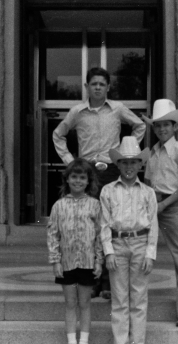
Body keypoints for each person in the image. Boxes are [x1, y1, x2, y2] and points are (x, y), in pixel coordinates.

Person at [53, 67, 146, 300]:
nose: (97, 87)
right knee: (90, 226)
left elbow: (140, 126)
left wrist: (126, 152)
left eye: (101, 84)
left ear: (108, 87)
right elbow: (58, 134)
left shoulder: (117, 109)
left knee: (111, 223)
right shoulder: (77, 112)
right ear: (86, 87)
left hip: (112, 169)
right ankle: (91, 281)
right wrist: (71, 162)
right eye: (93, 84)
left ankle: (108, 282)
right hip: (87, 171)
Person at [100, 136, 158, 344]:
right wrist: (108, 251)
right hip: (117, 243)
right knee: (119, 297)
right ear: (118, 164)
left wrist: (150, 253)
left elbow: (153, 224)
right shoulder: (108, 191)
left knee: (139, 297)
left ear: (140, 164)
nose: (129, 166)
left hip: (140, 243)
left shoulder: (147, 192)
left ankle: (136, 343)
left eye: (133, 162)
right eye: (124, 162)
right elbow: (104, 223)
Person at [142, 99, 178, 327]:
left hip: (172, 207)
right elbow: (145, 182)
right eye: (158, 125)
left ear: (175, 126)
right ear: (153, 128)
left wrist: (165, 204)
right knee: (140, 253)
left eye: (166, 124)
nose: (162, 129)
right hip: (153, 206)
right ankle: (136, 303)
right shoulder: (151, 152)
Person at [47, 158, 104, 344]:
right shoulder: (59, 206)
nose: (78, 181)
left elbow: (99, 235)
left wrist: (99, 261)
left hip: (88, 262)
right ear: (67, 179)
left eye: (82, 177)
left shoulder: (95, 205)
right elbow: (53, 234)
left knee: (85, 302)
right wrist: (55, 260)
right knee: (70, 303)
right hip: (67, 263)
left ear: (88, 180)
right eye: (74, 177)